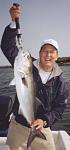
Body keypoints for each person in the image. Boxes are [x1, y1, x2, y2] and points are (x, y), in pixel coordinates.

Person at [1, 4, 68, 150]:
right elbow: (7, 46)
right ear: (39, 53)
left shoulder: (60, 82)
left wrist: (44, 121)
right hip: (18, 124)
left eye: (52, 51)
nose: (48, 54)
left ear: (57, 56)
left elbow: (60, 108)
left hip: (42, 127)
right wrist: (13, 22)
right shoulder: (26, 65)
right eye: (44, 51)